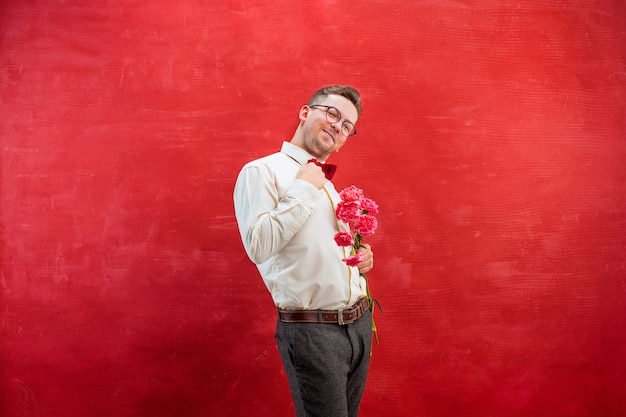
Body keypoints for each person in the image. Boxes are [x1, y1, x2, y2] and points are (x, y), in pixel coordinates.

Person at [233, 85, 375, 417]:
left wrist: (360, 260)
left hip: (357, 326)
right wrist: (303, 188)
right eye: (332, 113)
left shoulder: (329, 186)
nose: (337, 127)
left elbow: (317, 252)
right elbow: (259, 245)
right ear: (305, 112)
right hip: (313, 332)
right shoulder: (261, 172)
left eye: (345, 127)